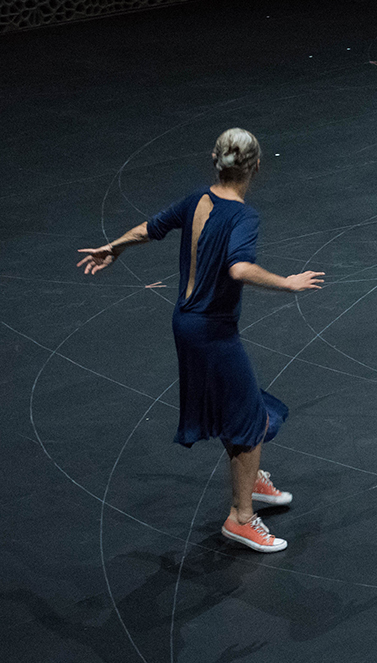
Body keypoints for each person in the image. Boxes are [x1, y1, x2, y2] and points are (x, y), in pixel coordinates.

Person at [77, 128, 325, 553]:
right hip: (212, 331)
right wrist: (288, 283)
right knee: (250, 418)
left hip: (188, 323)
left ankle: (253, 483)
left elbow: (150, 228)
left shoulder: (195, 201)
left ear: (214, 159)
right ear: (257, 167)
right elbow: (240, 269)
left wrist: (115, 247)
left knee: (242, 404)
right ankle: (241, 517)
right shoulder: (244, 216)